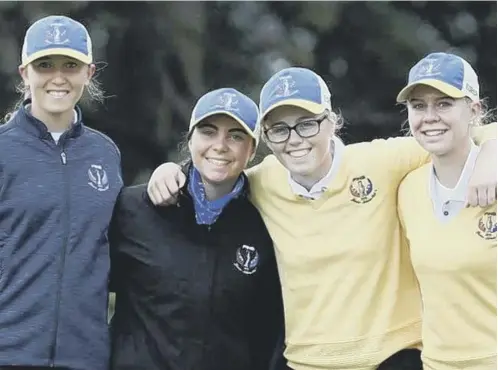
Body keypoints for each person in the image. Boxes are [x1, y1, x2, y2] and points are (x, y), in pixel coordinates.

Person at [146, 67, 496, 370]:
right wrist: (170, 170)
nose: (295, 140)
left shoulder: (381, 161)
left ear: (332, 122)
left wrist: (491, 155)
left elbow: (458, 132)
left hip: (393, 357)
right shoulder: (263, 181)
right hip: (305, 361)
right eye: (279, 129)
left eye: (307, 125)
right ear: (266, 138)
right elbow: (213, 174)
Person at [109, 88, 283, 370]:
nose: (220, 145)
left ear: (251, 150)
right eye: (208, 131)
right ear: (190, 140)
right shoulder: (134, 208)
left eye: (236, 136)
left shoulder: (265, 225)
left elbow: (268, 329)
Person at [0, 15, 123, 370]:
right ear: (25, 74)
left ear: (89, 73)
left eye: (70, 65)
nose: (58, 77)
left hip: (86, 358)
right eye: (45, 65)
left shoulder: (106, 153)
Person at [397, 53, 497, 370]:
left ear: (474, 110)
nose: (429, 117)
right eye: (418, 106)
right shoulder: (408, 189)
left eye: (444, 104)